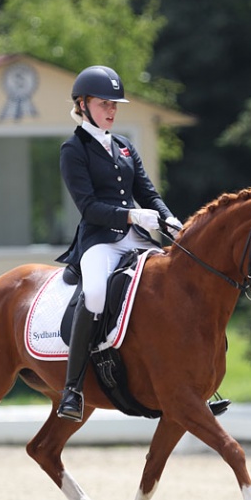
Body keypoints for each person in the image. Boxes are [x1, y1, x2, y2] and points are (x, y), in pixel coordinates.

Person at [55, 65, 182, 422]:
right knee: (94, 294)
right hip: (100, 241)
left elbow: (148, 192)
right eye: (103, 104)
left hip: (138, 239)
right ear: (82, 104)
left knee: (173, 287)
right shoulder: (73, 149)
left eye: (115, 105)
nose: (111, 110)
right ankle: (73, 389)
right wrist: (130, 216)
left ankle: (191, 382)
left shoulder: (125, 146)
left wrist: (169, 219)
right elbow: (88, 207)